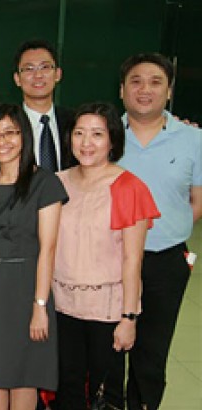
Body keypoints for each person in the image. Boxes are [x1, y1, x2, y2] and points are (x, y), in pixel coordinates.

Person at [0, 103, 67, 410]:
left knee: (23, 374)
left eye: (11, 133)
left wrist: (40, 305)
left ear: (24, 137)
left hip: (25, 290)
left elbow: (48, 249)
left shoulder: (44, 183)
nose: (1, 141)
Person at [52, 102, 159, 409]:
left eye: (97, 134)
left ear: (112, 139)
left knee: (105, 392)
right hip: (63, 305)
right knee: (67, 386)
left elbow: (132, 260)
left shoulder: (128, 187)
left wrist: (129, 318)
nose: (86, 143)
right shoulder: (57, 182)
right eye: (79, 133)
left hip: (107, 309)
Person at [116, 52, 202, 410]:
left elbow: (197, 199)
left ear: (169, 91)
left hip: (166, 261)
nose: (145, 90)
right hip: (110, 260)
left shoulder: (193, 138)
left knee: (151, 351)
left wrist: (168, 229)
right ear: (122, 90)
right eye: (136, 81)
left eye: (155, 82)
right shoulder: (104, 135)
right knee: (108, 346)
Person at [13, 39, 76, 172]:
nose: (38, 75)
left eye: (45, 67)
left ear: (58, 74)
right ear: (17, 79)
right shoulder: (7, 125)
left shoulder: (75, 122)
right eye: (29, 69)